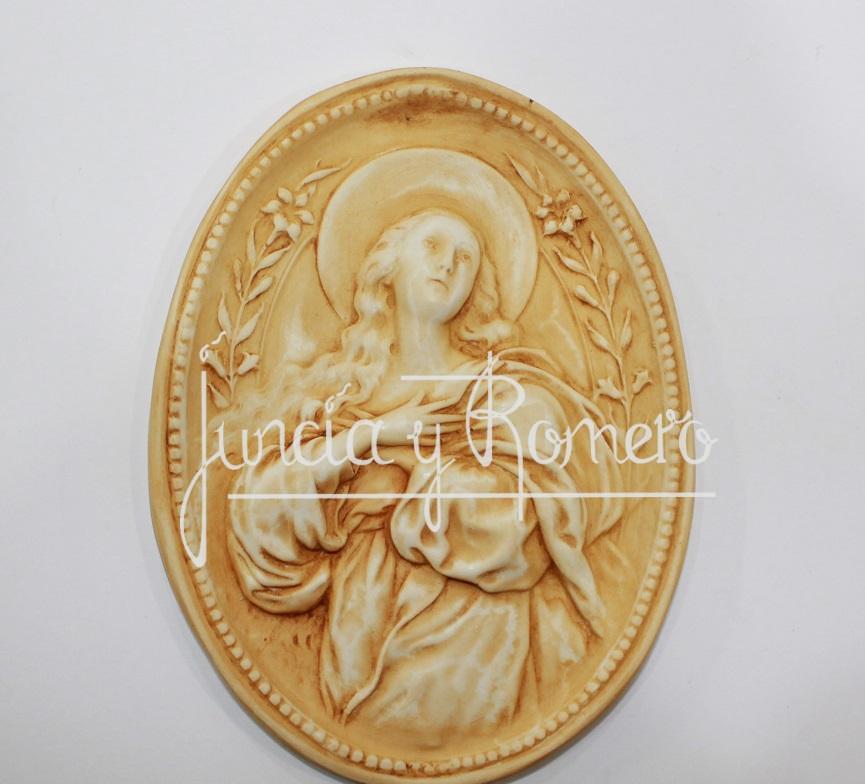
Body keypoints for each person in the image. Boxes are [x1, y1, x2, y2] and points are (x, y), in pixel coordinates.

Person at [226, 152, 624, 748]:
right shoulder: (335, 397)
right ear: (388, 264)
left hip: (475, 634)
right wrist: (369, 436)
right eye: (433, 246)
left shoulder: (506, 391)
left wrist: (415, 472)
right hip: (359, 626)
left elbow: (529, 525)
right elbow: (258, 518)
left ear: (477, 288)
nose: (449, 265)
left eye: (466, 258)